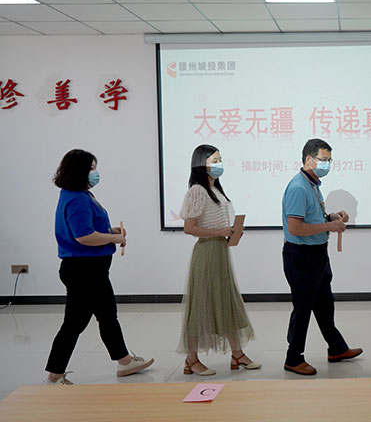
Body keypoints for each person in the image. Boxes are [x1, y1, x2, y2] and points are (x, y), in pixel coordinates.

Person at [45, 149, 154, 385]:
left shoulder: (79, 194)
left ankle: (124, 361)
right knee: (80, 321)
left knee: (103, 316)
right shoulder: (77, 199)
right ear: (80, 171)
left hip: (88, 269)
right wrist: (114, 238)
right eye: (91, 168)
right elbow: (84, 237)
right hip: (84, 271)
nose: (95, 173)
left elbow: (88, 229)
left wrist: (109, 230)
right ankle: (55, 373)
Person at [281, 138, 363, 375]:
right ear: (308, 159)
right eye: (323, 159)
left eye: (329, 160)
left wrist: (331, 217)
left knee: (325, 304)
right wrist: (330, 227)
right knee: (303, 308)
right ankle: (293, 358)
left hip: (317, 254)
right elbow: (295, 228)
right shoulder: (298, 187)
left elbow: (311, 218)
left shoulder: (312, 184)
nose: (327, 164)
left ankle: (337, 348)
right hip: (301, 256)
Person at [177, 144, 260, 375]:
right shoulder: (197, 191)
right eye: (214, 160)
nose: (219, 164)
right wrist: (219, 232)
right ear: (200, 163)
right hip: (207, 252)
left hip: (220, 250)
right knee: (201, 304)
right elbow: (189, 228)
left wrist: (231, 231)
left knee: (226, 301)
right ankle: (191, 359)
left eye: (220, 159)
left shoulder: (215, 189)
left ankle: (237, 353)